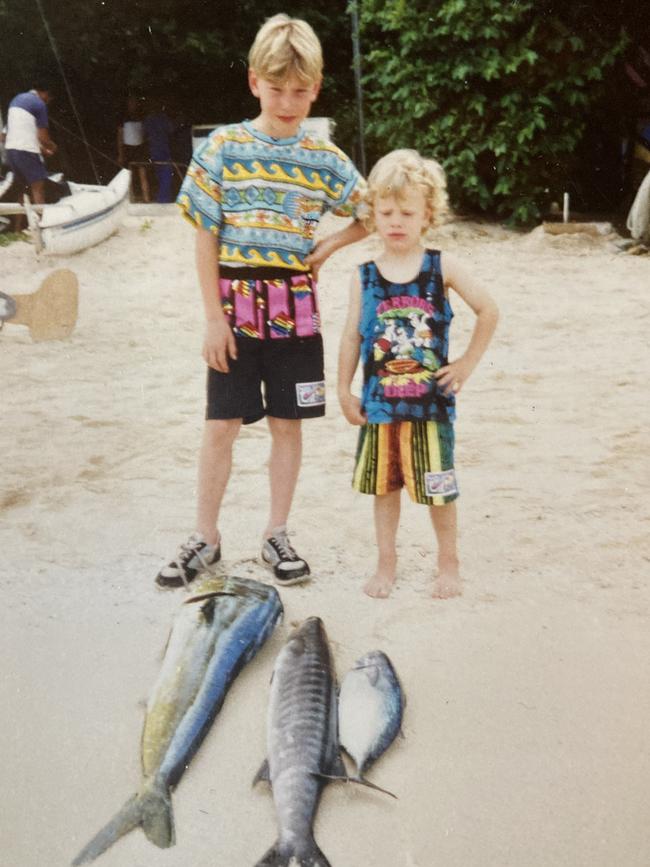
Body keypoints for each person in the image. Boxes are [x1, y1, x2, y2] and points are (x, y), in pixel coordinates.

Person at [155, 14, 367, 589]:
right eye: (277, 89)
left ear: (316, 88)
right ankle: (206, 536)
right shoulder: (223, 148)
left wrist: (326, 247)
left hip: (296, 312)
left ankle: (277, 532)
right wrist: (211, 317)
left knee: (287, 424)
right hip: (233, 311)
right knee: (221, 423)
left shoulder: (324, 157)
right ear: (254, 82)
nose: (289, 101)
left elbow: (370, 211)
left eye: (301, 91)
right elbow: (204, 233)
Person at [337, 149, 498, 600]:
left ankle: (449, 560)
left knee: (439, 489)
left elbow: (489, 309)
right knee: (383, 488)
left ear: (428, 215)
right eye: (385, 212)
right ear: (372, 214)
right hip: (379, 407)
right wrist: (343, 390)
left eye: (407, 212)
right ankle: (386, 561)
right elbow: (351, 336)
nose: (396, 221)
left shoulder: (441, 266)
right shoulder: (364, 275)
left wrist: (466, 363)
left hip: (431, 408)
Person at [4, 84, 57, 220]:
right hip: (26, 151)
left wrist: (41, 148)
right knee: (38, 187)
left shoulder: (16, 99)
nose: (48, 102)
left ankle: (18, 229)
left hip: (11, 149)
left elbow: (10, 134)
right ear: (45, 93)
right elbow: (43, 138)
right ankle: (42, 225)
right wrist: (52, 146)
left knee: (22, 190)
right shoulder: (39, 104)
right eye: (49, 99)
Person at [117, 94, 150, 202]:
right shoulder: (123, 117)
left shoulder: (141, 116)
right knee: (128, 175)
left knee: (143, 174)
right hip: (128, 148)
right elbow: (120, 136)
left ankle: (146, 198)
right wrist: (121, 154)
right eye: (130, 102)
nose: (132, 104)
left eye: (134, 102)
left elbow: (144, 133)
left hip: (139, 148)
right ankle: (130, 198)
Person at [143, 99, 174, 203]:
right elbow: (171, 129)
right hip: (162, 151)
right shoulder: (163, 119)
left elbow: (144, 134)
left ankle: (162, 198)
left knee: (161, 177)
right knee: (165, 176)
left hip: (154, 152)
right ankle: (163, 199)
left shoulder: (148, 119)